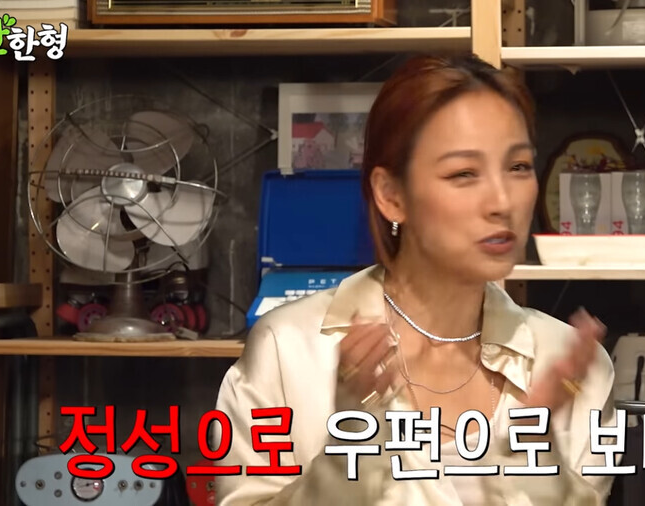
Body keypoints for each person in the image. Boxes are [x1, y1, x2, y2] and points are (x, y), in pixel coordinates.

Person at [214, 53, 617, 505]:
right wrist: (348, 456)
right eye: (464, 173)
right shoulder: (288, 350)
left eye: (519, 166)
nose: (503, 202)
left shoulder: (573, 367)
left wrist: (539, 463)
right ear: (391, 195)